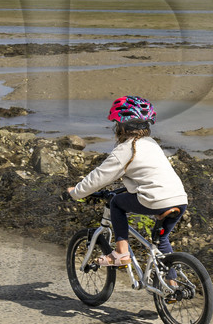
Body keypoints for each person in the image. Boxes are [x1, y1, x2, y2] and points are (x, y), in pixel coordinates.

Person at [67, 96, 190, 266]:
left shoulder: (125, 150)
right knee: (162, 241)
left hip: (155, 200)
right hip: (179, 198)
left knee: (116, 203)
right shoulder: (152, 144)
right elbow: (149, 175)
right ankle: (172, 284)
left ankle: (121, 253)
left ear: (120, 127)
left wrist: (76, 192)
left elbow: (98, 177)